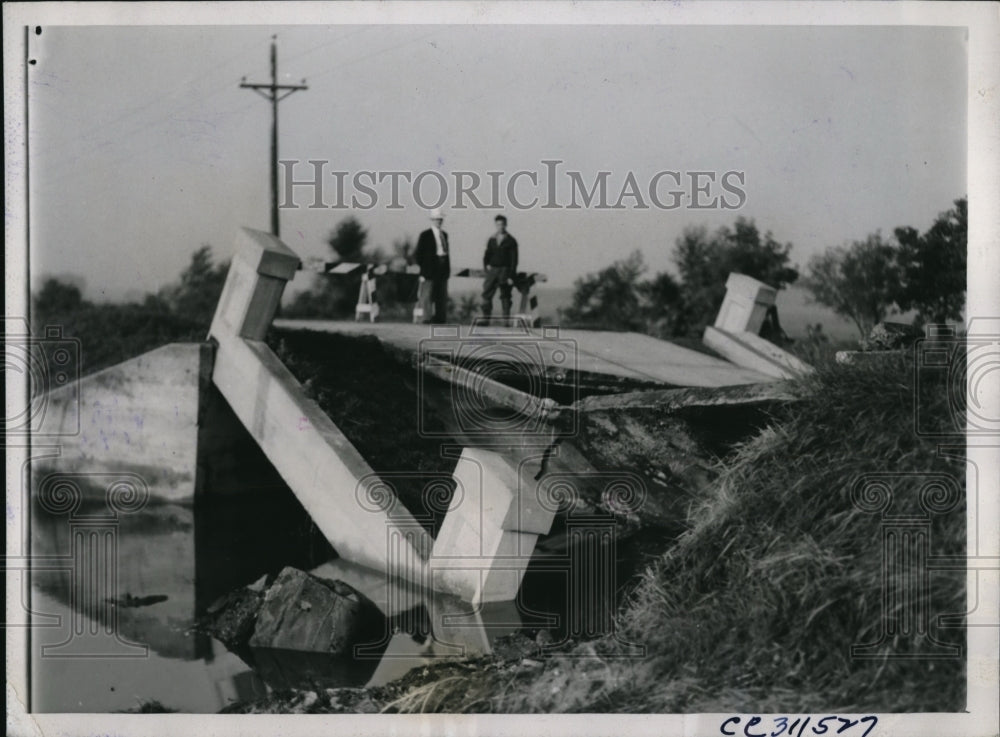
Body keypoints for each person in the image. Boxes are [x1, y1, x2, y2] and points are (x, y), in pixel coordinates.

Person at [413, 208, 451, 324]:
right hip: (429, 268)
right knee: (427, 294)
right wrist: (424, 268)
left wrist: (446, 268)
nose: (439, 221)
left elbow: (446, 252)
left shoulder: (444, 235)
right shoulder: (425, 235)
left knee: (441, 294)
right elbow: (418, 253)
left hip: (442, 266)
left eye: (440, 219)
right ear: (432, 220)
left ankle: (440, 318)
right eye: (436, 219)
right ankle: (427, 318)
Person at [481, 214, 519, 321]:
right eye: (498, 224)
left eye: (502, 224)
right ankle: (485, 319)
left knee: (505, 295)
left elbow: (514, 260)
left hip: (505, 271)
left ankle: (506, 320)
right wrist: (486, 266)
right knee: (487, 293)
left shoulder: (511, 241)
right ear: (495, 225)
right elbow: (487, 254)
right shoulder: (492, 239)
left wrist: (511, 275)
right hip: (493, 270)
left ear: (506, 225)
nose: (500, 227)